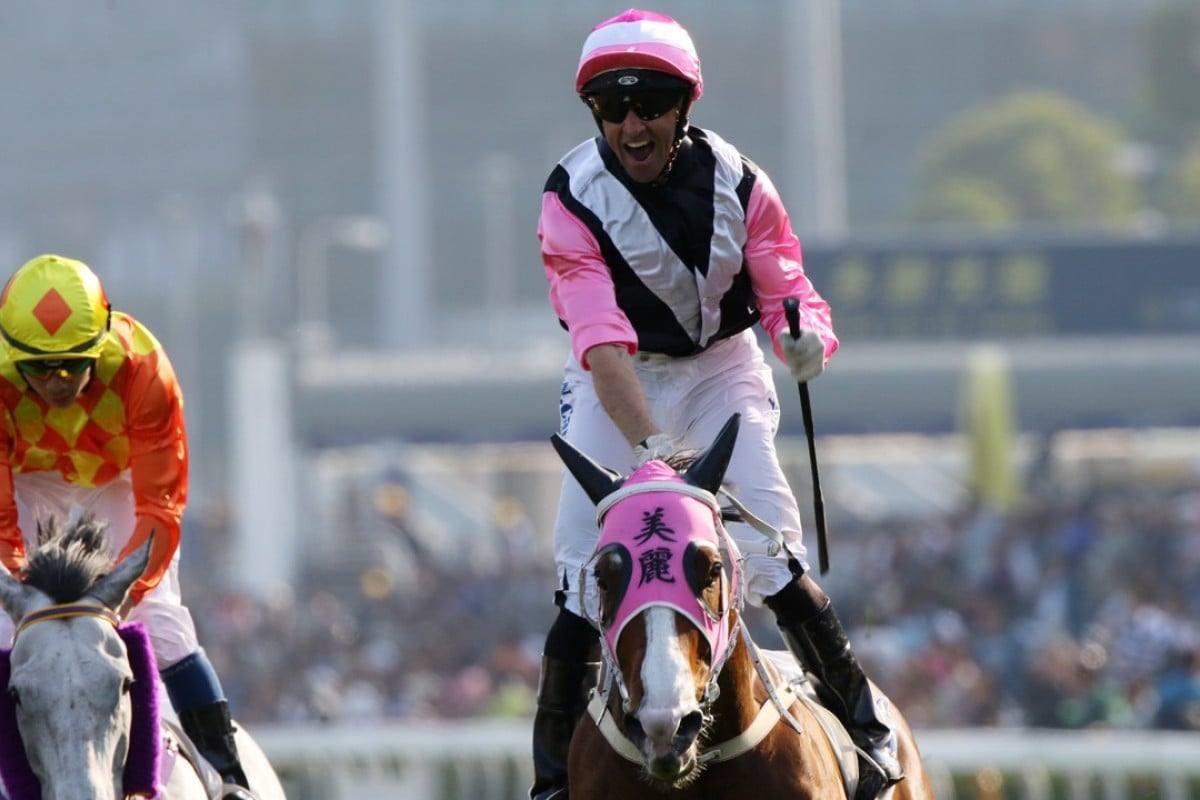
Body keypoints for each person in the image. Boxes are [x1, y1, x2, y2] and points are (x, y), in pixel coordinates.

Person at [531, 10, 903, 800]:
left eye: (651, 104)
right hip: (618, 383)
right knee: (576, 569)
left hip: (721, 367)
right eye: (611, 108)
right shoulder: (570, 198)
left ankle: (863, 725)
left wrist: (807, 340)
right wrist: (652, 447)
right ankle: (552, 777)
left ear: (685, 106)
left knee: (770, 551)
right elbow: (601, 344)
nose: (632, 124)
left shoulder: (742, 184)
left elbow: (789, 291)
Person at [0, 254, 257, 800]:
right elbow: (2, 523)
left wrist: (119, 598)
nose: (56, 382)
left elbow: (161, 507)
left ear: (102, 342)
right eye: (38, 369)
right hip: (26, 480)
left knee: (160, 618)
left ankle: (229, 779)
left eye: (72, 365)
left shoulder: (144, 368)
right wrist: (28, 604)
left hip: (118, 479)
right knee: (8, 630)